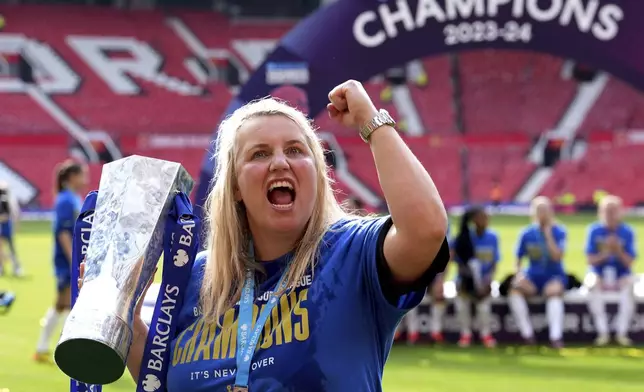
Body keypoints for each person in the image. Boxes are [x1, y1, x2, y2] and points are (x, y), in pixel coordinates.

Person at [79, 80, 449, 390]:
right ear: (236, 187)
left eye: (295, 150)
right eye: (258, 154)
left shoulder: (353, 253)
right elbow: (162, 382)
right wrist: (124, 317)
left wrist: (372, 121)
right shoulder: (196, 278)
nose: (279, 162)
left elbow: (425, 230)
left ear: (318, 174)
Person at [34, 160, 87, 362]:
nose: (85, 178)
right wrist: (75, 260)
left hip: (70, 260)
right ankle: (51, 348)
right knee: (65, 304)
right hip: (67, 261)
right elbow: (64, 233)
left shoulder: (72, 197)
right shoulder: (66, 200)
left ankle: (46, 348)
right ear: (71, 177)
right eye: (81, 174)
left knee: (65, 304)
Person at [508, 196, 567, 348]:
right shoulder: (526, 233)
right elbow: (518, 259)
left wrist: (548, 236)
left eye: (545, 210)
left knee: (554, 295)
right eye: (539, 210)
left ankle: (555, 337)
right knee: (515, 291)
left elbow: (557, 256)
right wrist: (519, 275)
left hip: (554, 275)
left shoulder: (559, 231)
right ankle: (527, 334)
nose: (542, 214)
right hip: (533, 276)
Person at [585, 195, 636, 346]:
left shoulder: (627, 232)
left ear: (620, 212)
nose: (610, 215)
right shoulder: (594, 231)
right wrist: (606, 253)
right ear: (600, 213)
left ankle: (622, 333)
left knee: (629, 288)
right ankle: (603, 332)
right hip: (599, 272)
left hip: (621, 273)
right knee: (592, 285)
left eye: (614, 211)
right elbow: (590, 260)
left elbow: (630, 262)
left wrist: (618, 250)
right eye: (607, 211)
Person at [452, 206, 499, 348]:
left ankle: (486, 334)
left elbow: (494, 263)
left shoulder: (493, 237)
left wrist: (488, 280)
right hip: (464, 279)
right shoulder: (464, 237)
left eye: (486, 218)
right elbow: (455, 260)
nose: (484, 221)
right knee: (461, 303)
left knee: (484, 305)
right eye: (481, 217)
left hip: (484, 280)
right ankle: (465, 334)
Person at [0, 181, 23, 277]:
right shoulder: (7, 200)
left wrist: (16, 224)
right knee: (4, 249)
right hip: (5, 227)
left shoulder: (7, 201)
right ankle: (5, 267)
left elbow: (12, 214)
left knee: (8, 248)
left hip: (6, 227)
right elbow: (16, 214)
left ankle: (15, 267)